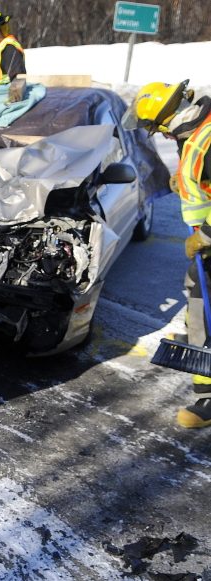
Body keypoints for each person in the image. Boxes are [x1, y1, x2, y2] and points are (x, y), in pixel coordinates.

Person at [126, 80, 211, 429]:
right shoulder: (197, 131)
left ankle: (208, 395)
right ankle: (200, 347)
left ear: (165, 121)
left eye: (154, 128)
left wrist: (206, 236)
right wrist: (183, 182)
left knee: (204, 305)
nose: (158, 135)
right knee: (196, 293)